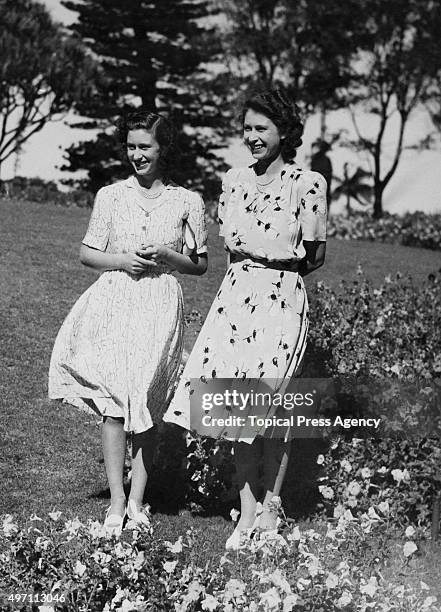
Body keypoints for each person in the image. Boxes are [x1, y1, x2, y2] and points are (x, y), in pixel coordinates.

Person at [164, 89, 327, 549]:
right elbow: (227, 244)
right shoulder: (233, 180)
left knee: (272, 411)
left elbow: (314, 255)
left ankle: (271, 512)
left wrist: (278, 273)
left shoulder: (307, 183)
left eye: (262, 129)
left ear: (284, 133)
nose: (252, 137)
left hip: (281, 300)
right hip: (235, 297)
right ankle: (247, 512)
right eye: (247, 129)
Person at [49, 110, 208, 535]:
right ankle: (116, 503)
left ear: (164, 149)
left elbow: (201, 264)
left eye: (145, 147)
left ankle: (138, 499)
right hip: (117, 299)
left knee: (148, 400)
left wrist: (168, 257)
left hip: (159, 302)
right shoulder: (110, 196)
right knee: (116, 402)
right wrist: (122, 260)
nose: (136, 154)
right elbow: (87, 252)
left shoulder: (187, 201)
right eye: (131, 146)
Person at [310, 138, 333, 209]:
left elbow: (329, 173)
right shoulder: (317, 158)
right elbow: (313, 171)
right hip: (318, 184)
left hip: (324, 184)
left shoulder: (325, 159)